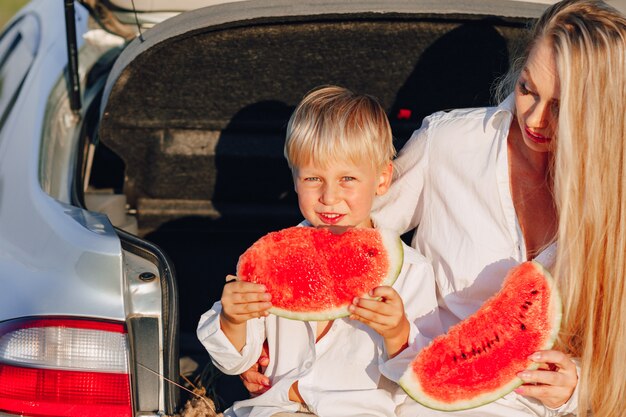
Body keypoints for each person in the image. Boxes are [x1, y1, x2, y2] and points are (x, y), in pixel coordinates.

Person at [240, 2, 626, 416]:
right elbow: (346, 230)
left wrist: (577, 387)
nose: (533, 117)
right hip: (422, 393)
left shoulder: (616, 196)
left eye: (560, 105)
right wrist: (270, 324)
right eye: (528, 88)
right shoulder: (450, 142)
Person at [197, 86, 441, 417]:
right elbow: (233, 360)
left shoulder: (411, 272)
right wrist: (232, 319)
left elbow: (425, 377)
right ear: (295, 179)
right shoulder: (270, 260)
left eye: (348, 179)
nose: (328, 196)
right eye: (313, 177)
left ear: (382, 179)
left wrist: (398, 333)